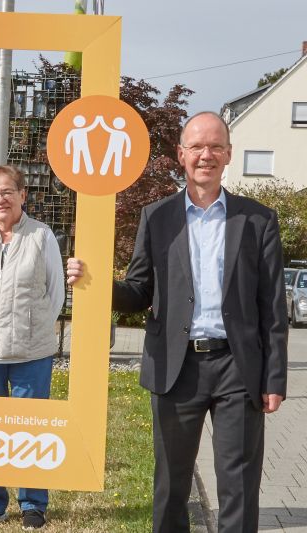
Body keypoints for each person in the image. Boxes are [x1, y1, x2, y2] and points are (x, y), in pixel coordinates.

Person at [67, 111, 287, 533]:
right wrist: (96, 283)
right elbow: (138, 291)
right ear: (181, 154)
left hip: (237, 369)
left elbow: (272, 307)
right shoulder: (158, 216)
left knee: (239, 484)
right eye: (198, 147)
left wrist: (274, 378)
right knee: (170, 485)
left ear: (228, 155)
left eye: (216, 147)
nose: (207, 155)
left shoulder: (259, 220)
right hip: (175, 367)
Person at [0, 165, 64, 530]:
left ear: (23, 195)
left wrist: (31, 329)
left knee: (30, 430)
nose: (0, 199)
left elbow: (56, 294)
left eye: (7, 192)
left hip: (30, 352)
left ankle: (33, 503)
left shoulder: (41, 236)